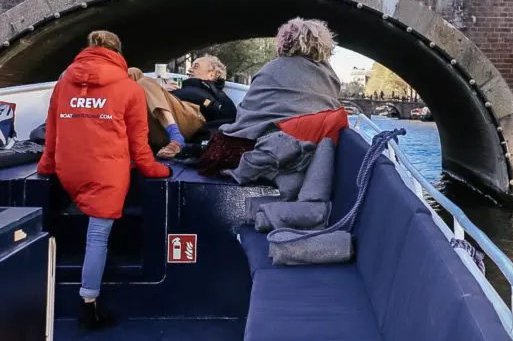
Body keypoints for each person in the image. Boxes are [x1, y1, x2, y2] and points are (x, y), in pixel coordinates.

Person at [36, 30, 170, 330]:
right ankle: (88, 305)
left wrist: (46, 167)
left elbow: (52, 133)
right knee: (97, 236)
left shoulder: (63, 83)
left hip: (68, 169)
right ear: (117, 52)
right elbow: (139, 145)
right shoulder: (129, 89)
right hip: (106, 174)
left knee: (74, 212)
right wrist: (157, 170)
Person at [199, 18, 348, 176]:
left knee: (218, 141)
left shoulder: (270, 69)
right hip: (308, 157)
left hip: (261, 152)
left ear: (285, 42)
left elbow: (244, 114)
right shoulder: (331, 78)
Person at [128, 55, 237, 159]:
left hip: (189, 121)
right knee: (133, 72)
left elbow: (230, 115)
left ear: (211, 74)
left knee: (144, 82)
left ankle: (176, 137)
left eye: (196, 66)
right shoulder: (178, 85)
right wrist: (161, 89)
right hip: (157, 122)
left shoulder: (214, 92)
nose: (189, 69)